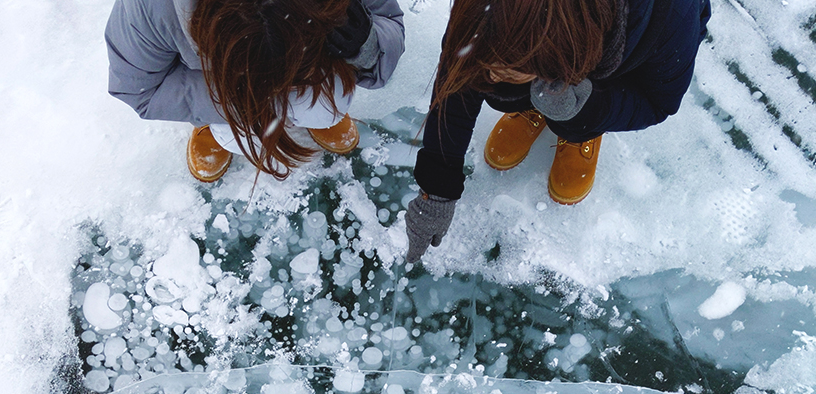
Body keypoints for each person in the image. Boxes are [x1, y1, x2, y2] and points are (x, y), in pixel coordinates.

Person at [405, 0, 711, 263]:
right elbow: (460, 70)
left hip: (622, 56)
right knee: (493, 75)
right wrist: (438, 187)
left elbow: (657, 102)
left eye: (507, 69)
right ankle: (534, 105)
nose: (491, 75)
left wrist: (590, 110)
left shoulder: (670, 17)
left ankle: (573, 120)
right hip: (556, 54)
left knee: (577, 111)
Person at [105, 0, 404, 182]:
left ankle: (321, 109)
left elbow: (387, 17)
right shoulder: (149, 7)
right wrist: (237, 98)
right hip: (220, 83)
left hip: (306, 66)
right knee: (235, 134)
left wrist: (364, 45)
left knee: (329, 105)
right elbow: (141, 89)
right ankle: (211, 127)